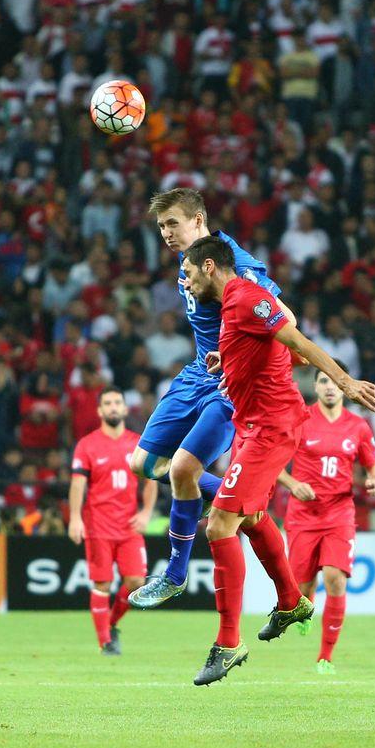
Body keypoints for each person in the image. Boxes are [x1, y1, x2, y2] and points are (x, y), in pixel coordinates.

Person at [179, 236, 375, 686]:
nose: (187, 284)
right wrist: (227, 359)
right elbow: (276, 351)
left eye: (189, 275)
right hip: (254, 425)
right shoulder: (233, 307)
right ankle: (291, 600)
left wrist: (344, 381)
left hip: (272, 427)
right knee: (249, 516)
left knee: (218, 525)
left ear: (209, 266)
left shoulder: (249, 298)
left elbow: (298, 343)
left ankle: (228, 643)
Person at [128, 187, 296, 609]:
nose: (166, 233)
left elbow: (286, 320)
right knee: (144, 464)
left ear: (199, 220)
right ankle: (239, 500)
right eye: (162, 226)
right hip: (195, 374)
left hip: (228, 386)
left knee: (182, 470)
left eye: (173, 223)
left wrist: (245, 364)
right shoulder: (188, 258)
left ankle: (174, 574)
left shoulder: (238, 267)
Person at [278, 361, 375, 675]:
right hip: (302, 515)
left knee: (335, 579)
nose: (329, 387)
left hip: (339, 512)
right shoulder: (300, 420)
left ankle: (325, 658)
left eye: (335, 382)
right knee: (301, 587)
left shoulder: (359, 427)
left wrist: (374, 481)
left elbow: (373, 467)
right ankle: (304, 609)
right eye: (323, 381)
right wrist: (294, 484)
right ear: (315, 386)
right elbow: (274, 464)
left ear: (344, 385)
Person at [68, 386, 157, 656]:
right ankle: (106, 641)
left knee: (135, 582)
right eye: (108, 403)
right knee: (103, 584)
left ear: (125, 408)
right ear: (100, 411)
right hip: (98, 526)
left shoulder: (137, 442)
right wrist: (75, 518)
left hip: (129, 527)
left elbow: (151, 478)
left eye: (117, 402)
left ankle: (110, 623)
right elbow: (77, 484)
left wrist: (146, 513)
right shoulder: (87, 445)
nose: (114, 407)